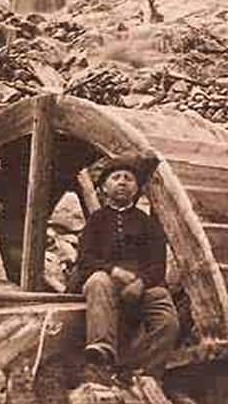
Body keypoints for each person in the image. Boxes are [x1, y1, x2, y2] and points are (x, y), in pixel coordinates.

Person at [72, 156, 180, 384]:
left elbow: (157, 265)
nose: (122, 182)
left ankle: (143, 371)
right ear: (104, 187)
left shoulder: (147, 223)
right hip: (107, 283)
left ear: (137, 189)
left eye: (129, 179)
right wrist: (113, 271)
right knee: (97, 280)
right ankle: (101, 354)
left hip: (143, 286)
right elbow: (85, 259)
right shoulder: (96, 221)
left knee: (167, 318)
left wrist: (140, 283)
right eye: (116, 177)